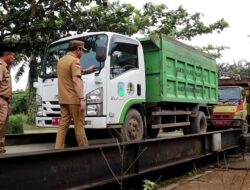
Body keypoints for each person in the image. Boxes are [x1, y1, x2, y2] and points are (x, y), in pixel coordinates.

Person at [55, 40, 96, 149]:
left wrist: (86, 71)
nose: (82, 53)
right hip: (74, 100)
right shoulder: (75, 61)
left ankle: (57, 149)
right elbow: (76, 80)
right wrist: (82, 99)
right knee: (79, 126)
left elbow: (69, 73)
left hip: (63, 99)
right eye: (82, 50)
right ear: (78, 49)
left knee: (63, 127)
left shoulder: (61, 61)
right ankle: (84, 150)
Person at [0, 46, 16, 154]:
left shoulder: (6, 67)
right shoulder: (0, 66)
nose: (14, 58)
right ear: (7, 55)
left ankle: (0, 147)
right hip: (1, 100)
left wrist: (9, 103)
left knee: (3, 125)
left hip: (6, 101)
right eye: (13, 56)